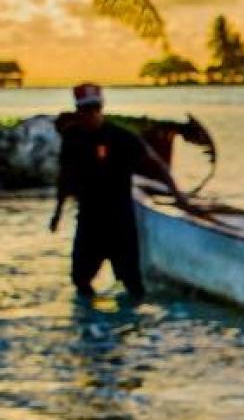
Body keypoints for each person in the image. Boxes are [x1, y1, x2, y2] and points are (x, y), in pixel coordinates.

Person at [49, 83, 184, 299]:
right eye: (86, 109)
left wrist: (178, 196)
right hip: (89, 221)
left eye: (95, 108)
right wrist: (57, 213)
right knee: (80, 279)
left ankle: (131, 325)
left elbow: (156, 163)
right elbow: (65, 177)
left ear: (101, 107)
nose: (91, 114)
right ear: (78, 111)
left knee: (131, 282)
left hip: (119, 221)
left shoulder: (121, 137)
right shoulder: (72, 138)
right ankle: (92, 324)